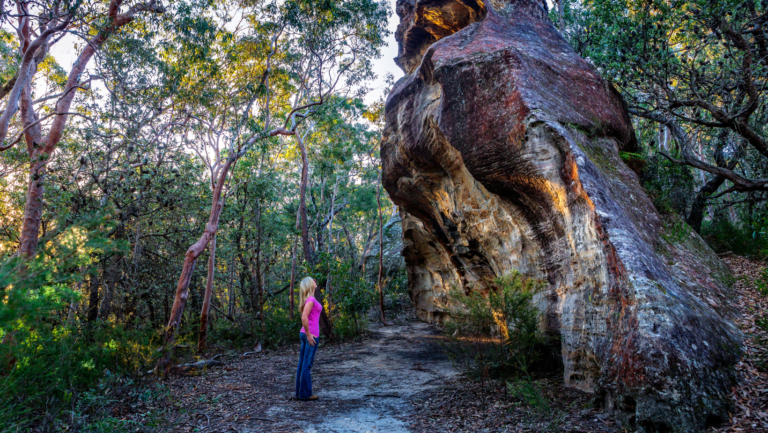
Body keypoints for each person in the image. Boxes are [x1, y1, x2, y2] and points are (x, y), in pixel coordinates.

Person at [296, 276, 322, 401]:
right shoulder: (311, 300)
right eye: (313, 280)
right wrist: (308, 335)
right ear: (309, 284)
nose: (315, 281)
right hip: (310, 335)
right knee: (307, 365)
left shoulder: (310, 299)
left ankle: (300, 393)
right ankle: (305, 394)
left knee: (302, 365)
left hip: (307, 334)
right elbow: (304, 317)